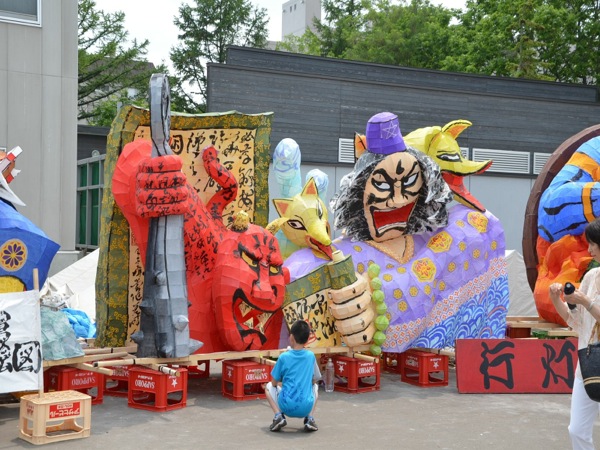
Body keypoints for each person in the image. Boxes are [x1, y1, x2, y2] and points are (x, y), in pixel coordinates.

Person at [549, 217, 600, 450]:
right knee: (576, 430)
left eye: (593, 244)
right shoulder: (591, 276)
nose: (589, 249)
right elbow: (576, 322)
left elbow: (588, 307)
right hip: (588, 364)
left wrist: (587, 301)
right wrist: (556, 299)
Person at [265, 320, 321, 432]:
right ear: (307, 340)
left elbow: (274, 382)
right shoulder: (310, 356)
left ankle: (278, 416)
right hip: (306, 407)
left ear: (291, 337)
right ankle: (310, 418)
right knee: (315, 387)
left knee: (268, 387)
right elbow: (315, 379)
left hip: (286, 406)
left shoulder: (284, 357)